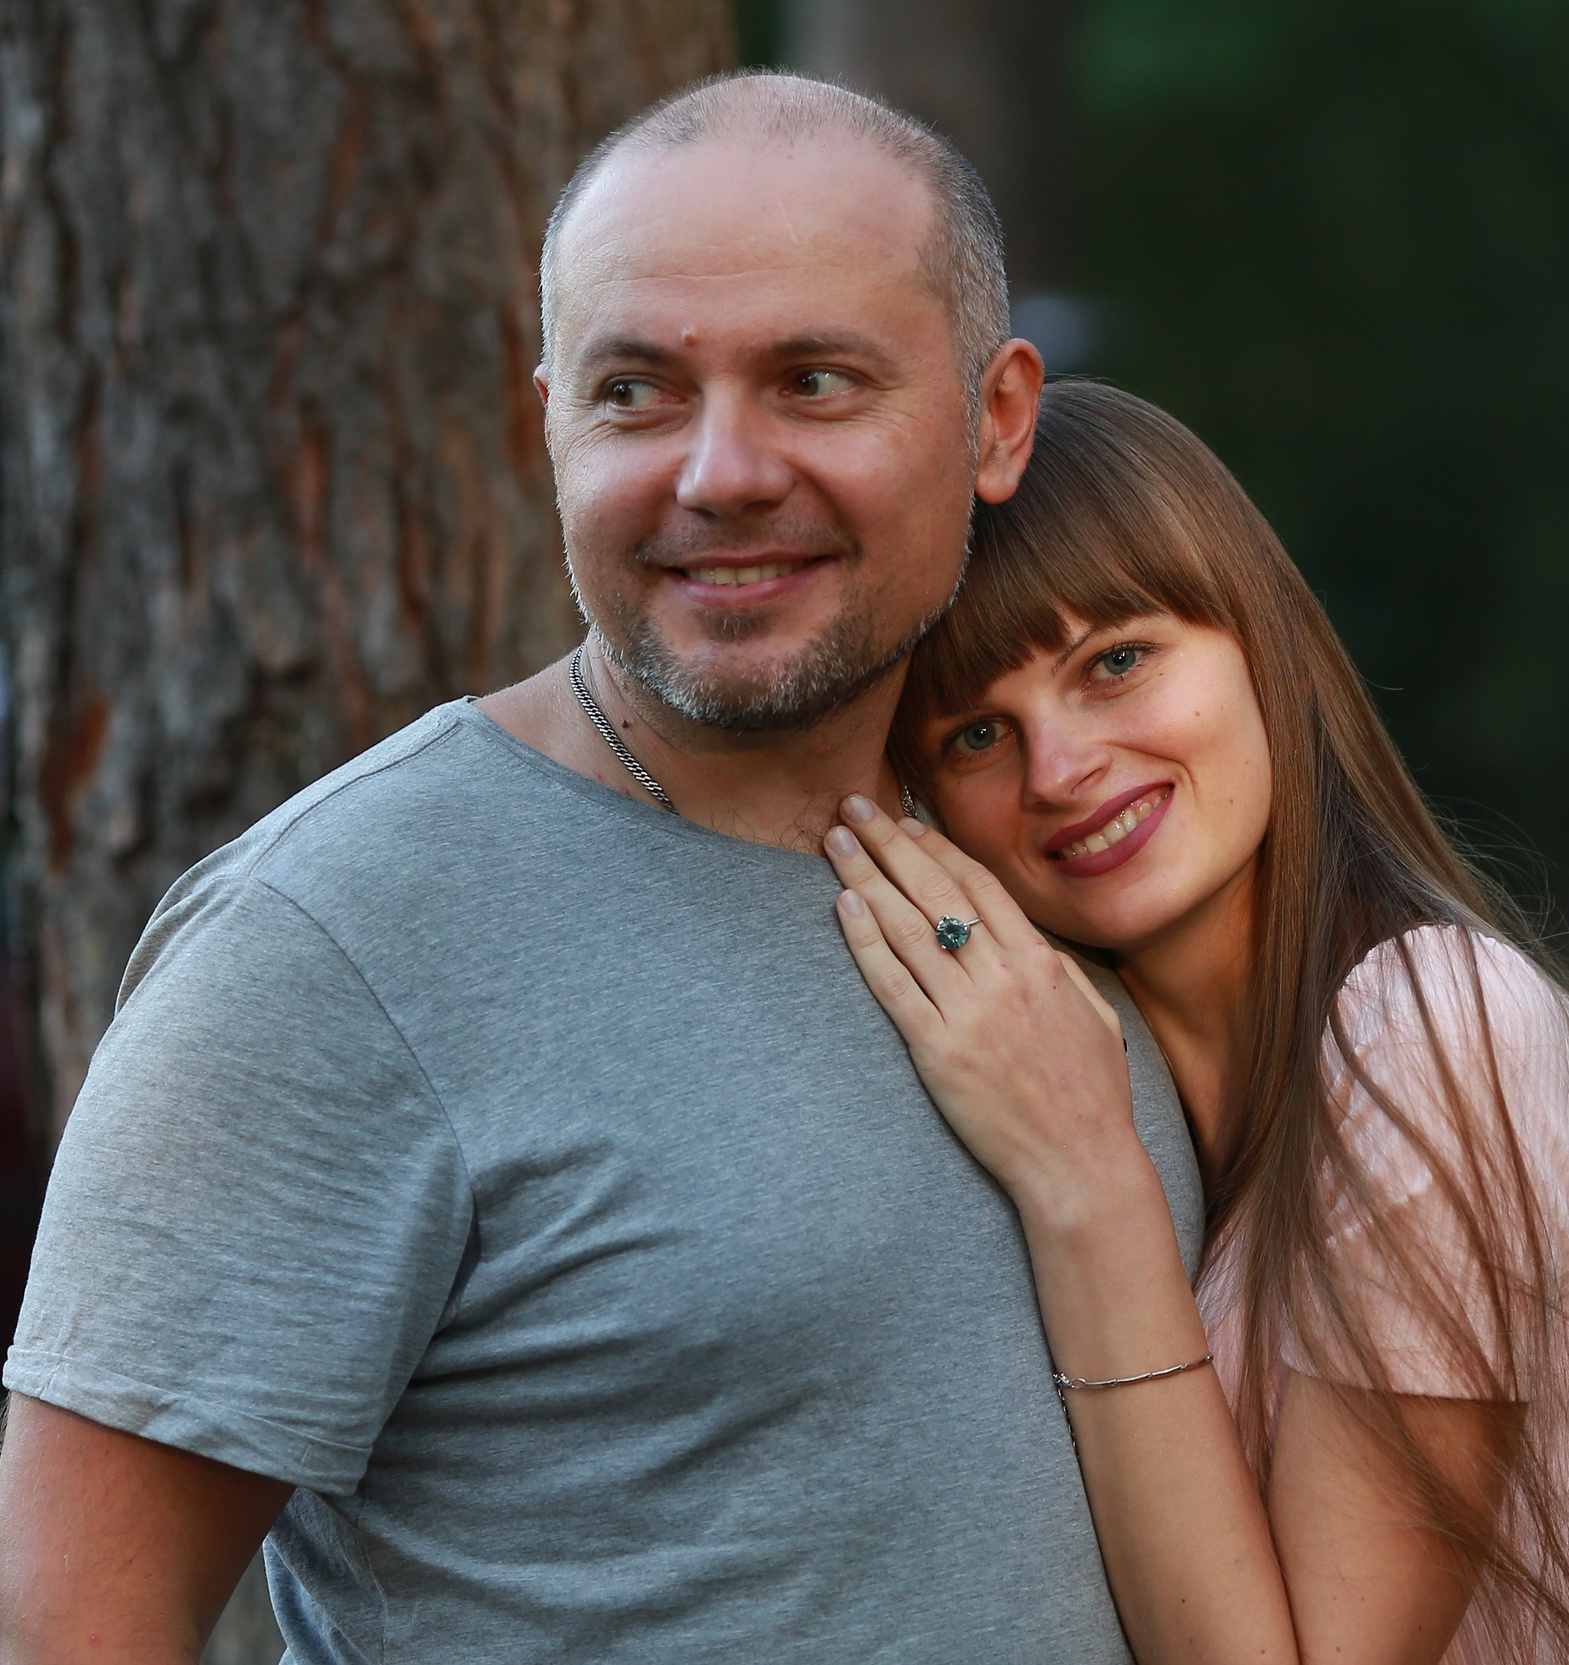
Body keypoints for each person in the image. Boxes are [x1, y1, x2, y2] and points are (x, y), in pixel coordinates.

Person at [0, 78, 1204, 1663]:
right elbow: (72, 1625)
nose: (718, 474)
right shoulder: (331, 941)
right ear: (546, 427)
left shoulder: (1068, 848)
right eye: (636, 393)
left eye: (814, 380)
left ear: (994, 420)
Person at [822, 379, 1569, 1664]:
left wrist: (1086, 1183)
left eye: (1115, 661)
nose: (1060, 771)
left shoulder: (1432, 1029)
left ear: (1257, 639)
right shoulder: (1139, 1085)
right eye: (980, 734)